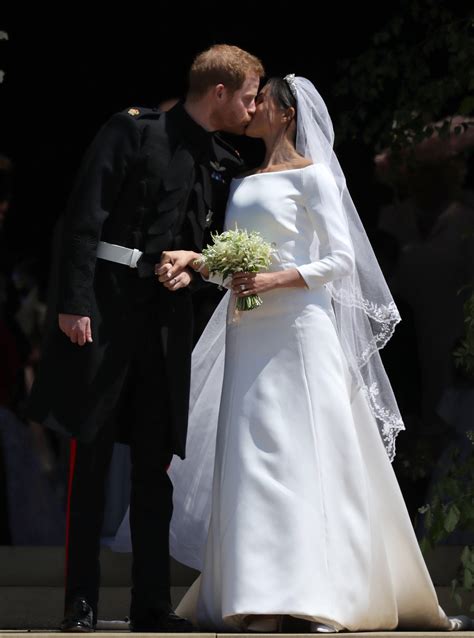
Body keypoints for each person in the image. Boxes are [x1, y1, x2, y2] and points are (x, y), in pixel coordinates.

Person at [112, 75, 474, 632]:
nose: (251, 107)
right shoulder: (244, 177)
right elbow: (235, 252)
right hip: (248, 329)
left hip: (299, 329)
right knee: (253, 455)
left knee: (304, 451)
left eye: (261, 101)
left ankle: (318, 593)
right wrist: (196, 260)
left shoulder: (314, 177)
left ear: (284, 113)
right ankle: (258, 594)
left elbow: (341, 261)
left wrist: (276, 278)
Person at [26, 44, 264, 632]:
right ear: (220, 92)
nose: (253, 107)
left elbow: (203, 241)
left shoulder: (219, 157)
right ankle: (80, 601)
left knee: (154, 467)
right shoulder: (134, 131)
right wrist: (74, 303)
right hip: (106, 315)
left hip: (165, 325)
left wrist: (192, 266)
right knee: (93, 458)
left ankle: (150, 604)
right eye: (249, 94)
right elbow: (85, 213)